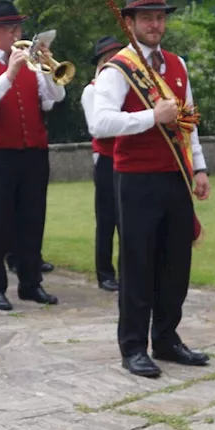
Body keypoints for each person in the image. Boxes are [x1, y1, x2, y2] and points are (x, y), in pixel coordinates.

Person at [90, 0, 212, 378]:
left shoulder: (176, 65)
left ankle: (166, 339)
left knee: (176, 263)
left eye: (159, 18)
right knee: (138, 263)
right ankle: (132, 347)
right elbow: (100, 122)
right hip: (135, 179)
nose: (155, 25)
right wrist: (150, 117)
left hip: (175, 177)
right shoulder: (119, 68)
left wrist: (199, 167)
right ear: (130, 22)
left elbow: (188, 118)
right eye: (147, 18)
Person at [0, 0, 66, 312]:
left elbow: (54, 99)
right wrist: (10, 72)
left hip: (32, 150)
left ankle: (31, 283)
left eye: (19, 28)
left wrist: (48, 67)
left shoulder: (30, 63)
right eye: (11, 28)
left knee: (32, 219)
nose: (17, 33)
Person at [82, 36, 124, 292]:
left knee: (128, 219)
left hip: (127, 157)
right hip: (107, 159)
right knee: (107, 218)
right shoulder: (92, 90)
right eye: (109, 59)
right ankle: (105, 273)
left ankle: (128, 269)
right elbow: (97, 128)